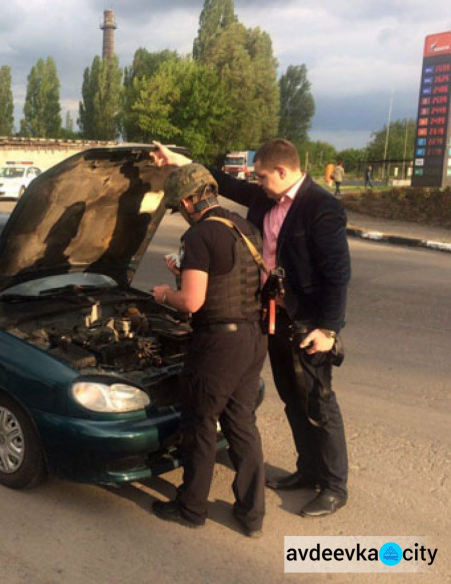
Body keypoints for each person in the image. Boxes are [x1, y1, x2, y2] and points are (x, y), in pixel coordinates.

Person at [152, 139, 351, 519]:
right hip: (266, 318)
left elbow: (338, 274)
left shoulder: (321, 207)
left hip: (306, 321)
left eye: (261, 175)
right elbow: (220, 183)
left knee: (319, 402)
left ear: (282, 171)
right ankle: (307, 470)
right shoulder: (263, 200)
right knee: (292, 399)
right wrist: (178, 160)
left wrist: (328, 328)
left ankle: (333, 484)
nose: (255, 182)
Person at [149, 163, 268, 537]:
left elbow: (193, 302)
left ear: (187, 199)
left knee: (200, 423)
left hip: (219, 344)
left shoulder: (199, 236)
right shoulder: (244, 226)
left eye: (179, 205)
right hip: (253, 337)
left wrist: (166, 293)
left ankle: (191, 507)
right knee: (241, 424)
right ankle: (251, 516)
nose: (181, 212)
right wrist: (182, 275)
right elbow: (229, 281)